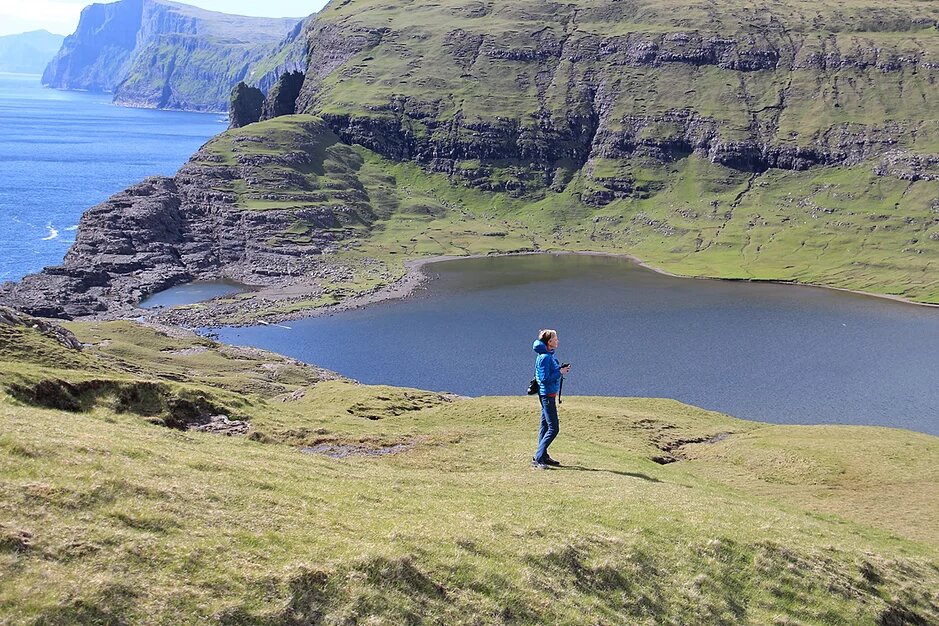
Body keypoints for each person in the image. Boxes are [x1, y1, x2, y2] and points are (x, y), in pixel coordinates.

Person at [532, 329, 570, 469]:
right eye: (555, 338)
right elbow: (544, 379)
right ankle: (538, 458)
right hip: (547, 395)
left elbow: (548, 374)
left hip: (548, 395)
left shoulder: (547, 355)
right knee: (554, 428)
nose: (557, 340)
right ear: (549, 342)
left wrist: (560, 370)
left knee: (545, 426)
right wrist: (559, 372)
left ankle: (543, 456)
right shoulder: (545, 357)